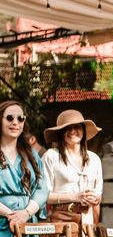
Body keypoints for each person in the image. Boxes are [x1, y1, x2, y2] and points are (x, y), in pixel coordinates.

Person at [42, 110, 103, 228]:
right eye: (67, 128)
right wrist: (75, 197)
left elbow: (99, 194)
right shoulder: (51, 156)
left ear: (83, 131)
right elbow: (44, 195)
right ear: (61, 132)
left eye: (77, 127)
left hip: (89, 221)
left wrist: (95, 198)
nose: (72, 131)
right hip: (61, 221)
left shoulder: (94, 159)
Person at [0, 100, 48, 236]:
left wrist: (26, 213)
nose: (15, 122)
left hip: (28, 224)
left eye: (20, 118)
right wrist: (12, 215)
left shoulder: (31, 154)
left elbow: (42, 188)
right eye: (9, 118)